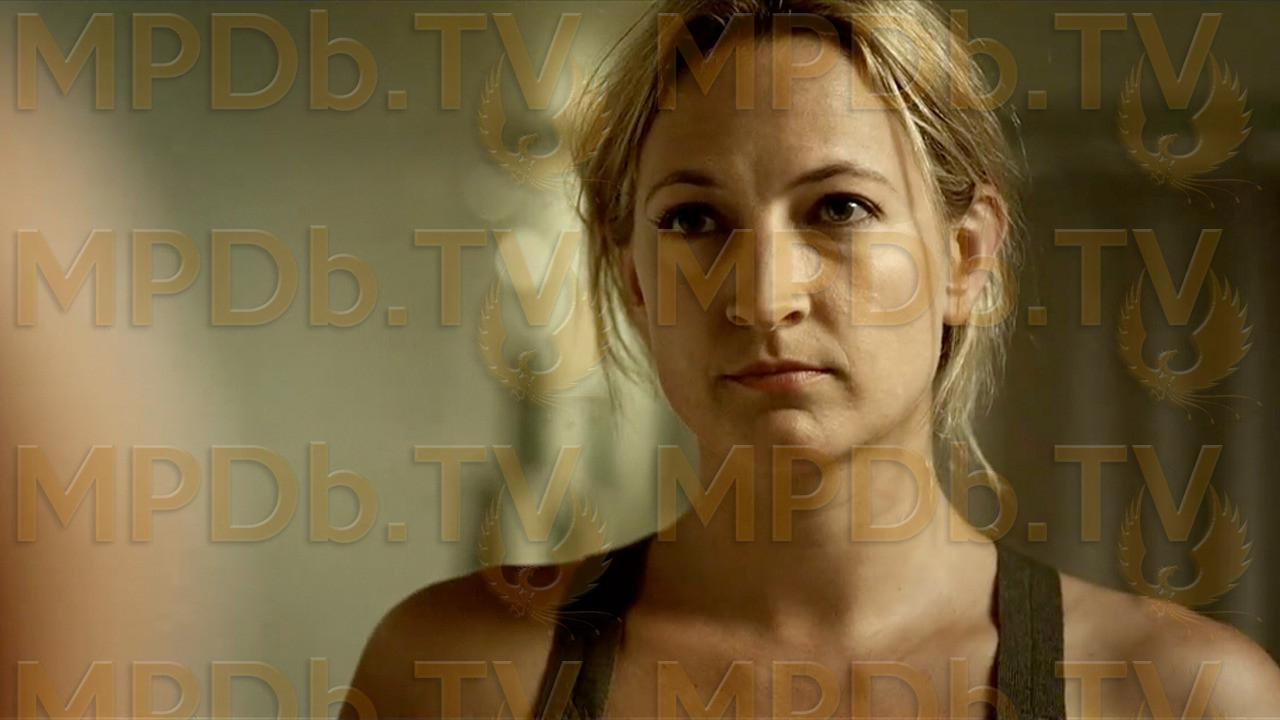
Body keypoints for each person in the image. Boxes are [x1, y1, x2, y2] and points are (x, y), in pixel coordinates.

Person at [343, 1, 1280, 718]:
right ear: (634, 283)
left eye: (839, 208)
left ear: (966, 258)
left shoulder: (1183, 695)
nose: (761, 296)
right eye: (694, 219)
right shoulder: (456, 673)